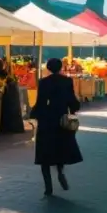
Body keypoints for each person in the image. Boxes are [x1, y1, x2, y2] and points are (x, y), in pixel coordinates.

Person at [30, 58, 82, 197]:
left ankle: (48, 188)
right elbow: (72, 100)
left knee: (44, 154)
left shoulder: (43, 82)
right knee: (60, 149)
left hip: (47, 120)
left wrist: (33, 113)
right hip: (61, 119)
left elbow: (40, 102)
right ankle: (60, 171)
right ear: (60, 67)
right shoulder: (67, 81)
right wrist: (74, 109)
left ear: (48, 68)